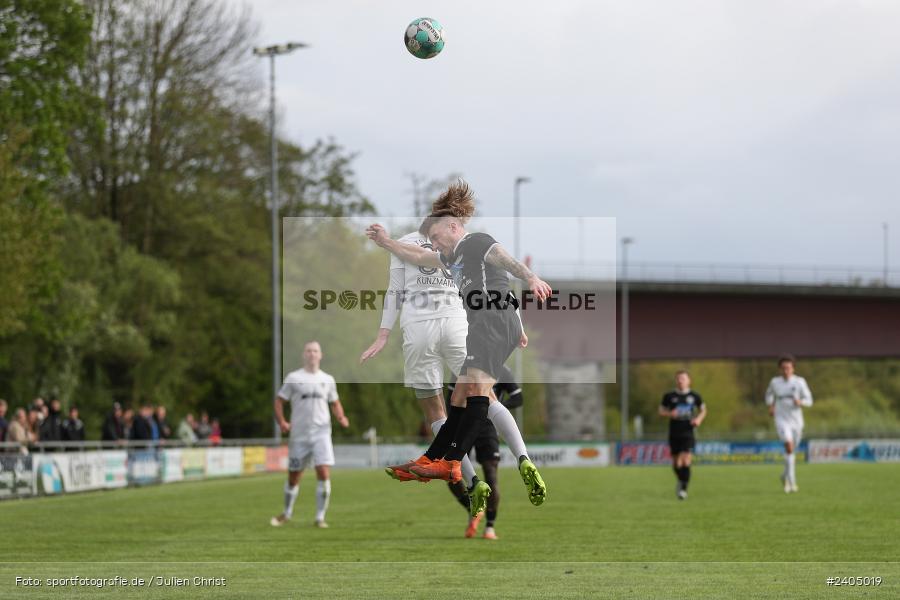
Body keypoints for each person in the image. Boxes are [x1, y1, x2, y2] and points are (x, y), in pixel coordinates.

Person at [366, 179, 552, 513]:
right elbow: (418, 254)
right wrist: (388, 243)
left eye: (437, 237)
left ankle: (452, 462)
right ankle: (449, 461)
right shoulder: (453, 260)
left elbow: (506, 261)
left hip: (488, 322)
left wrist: (531, 278)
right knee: (459, 397)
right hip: (494, 324)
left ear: (453, 227)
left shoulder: (475, 242)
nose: (434, 244)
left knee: (477, 396)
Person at [359, 213, 481, 500]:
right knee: (481, 394)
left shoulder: (402, 243)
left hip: (418, 328)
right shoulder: (462, 243)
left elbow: (394, 291)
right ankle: (521, 455)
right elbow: (480, 288)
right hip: (456, 324)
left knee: (435, 410)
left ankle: (471, 478)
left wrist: (383, 334)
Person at [271, 341, 350, 528]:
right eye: (308, 351)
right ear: (303, 355)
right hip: (299, 435)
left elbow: (335, 402)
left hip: (322, 433)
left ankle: (320, 517)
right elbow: (279, 401)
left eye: (315, 351)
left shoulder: (328, 379)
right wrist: (281, 421)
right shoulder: (293, 377)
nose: (312, 354)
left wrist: (341, 416)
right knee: (294, 476)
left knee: (323, 472)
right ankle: (287, 513)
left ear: (320, 355)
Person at [446, 364, 523, 539]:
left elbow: (518, 398)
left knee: (491, 475)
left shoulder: (501, 370)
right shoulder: (459, 367)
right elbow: (450, 398)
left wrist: (494, 407)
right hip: (463, 425)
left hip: (487, 428)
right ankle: (472, 508)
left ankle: (490, 527)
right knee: (450, 473)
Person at [765, 355, 813, 493]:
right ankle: (792, 482)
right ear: (780, 369)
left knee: (791, 451)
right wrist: (770, 405)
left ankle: (784, 476)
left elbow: (810, 400)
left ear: (793, 368)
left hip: (797, 421)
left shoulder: (800, 382)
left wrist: (801, 402)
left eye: (789, 368)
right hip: (781, 419)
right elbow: (768, 395)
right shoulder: (775, 382)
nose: (786, 370)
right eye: (783, 368)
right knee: (789, 446)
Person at [659, 370, 706, 500]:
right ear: (676, 381)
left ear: (689, 380)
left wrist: (698, 420)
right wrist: (669, 414)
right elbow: (661, 411)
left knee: (686, 459)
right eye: (679, 379)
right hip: (674, 432)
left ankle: (683, 489)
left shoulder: (695, 396)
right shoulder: (669, 396)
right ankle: (681, 480)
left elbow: (703, 410)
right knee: (676, 463)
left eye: (683, 379)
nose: (681, 381)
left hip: (688, 432)